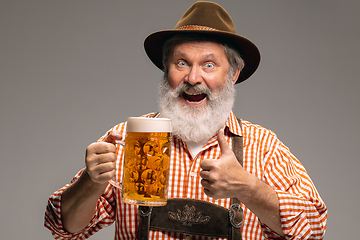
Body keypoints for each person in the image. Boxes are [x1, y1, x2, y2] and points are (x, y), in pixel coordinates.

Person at [44, 1, 327, 239]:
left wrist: (247, 187)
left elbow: (314, 229)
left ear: (233, 75)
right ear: (166, 69)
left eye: (209, 65)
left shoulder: (263, 148)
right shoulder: (128, 139)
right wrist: (90, 181)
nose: (193, 79)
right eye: (181, 63)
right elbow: (63, 227)